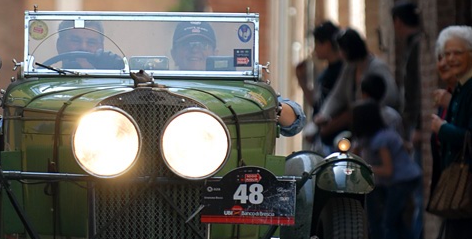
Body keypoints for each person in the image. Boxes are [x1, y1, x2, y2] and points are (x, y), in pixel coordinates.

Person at [170, 21, 305, 135]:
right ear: (174, 54)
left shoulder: (235, 87)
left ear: (215, 53)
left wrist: (274, 106)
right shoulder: (160, 88)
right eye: (187, 44)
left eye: (202, 45)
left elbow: (295, 122)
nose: (195, 49)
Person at [430, 25, 472, 239]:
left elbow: (466, 136)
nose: (449, 60)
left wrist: (443, 128)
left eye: (456, 53)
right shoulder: (460, 89)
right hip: (459, 185)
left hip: (467, 185)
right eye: (445, 55)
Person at [352, 100, 422, 239]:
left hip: (402, 180)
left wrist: (365, 167)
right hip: (399, 181)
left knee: (389, 222)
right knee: (396, 221)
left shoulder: (381, 140)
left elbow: (388, 170)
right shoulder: (376, 137)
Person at [314, 27, 401, 144]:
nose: (340, 53)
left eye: (342, 50)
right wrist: (324, 114)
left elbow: (390, 96)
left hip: (379, 126)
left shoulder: (377, 67)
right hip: (360, 129)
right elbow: (337, 95)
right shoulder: (349, 68)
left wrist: (364, 108)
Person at [392, 1, 424, 239]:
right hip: (415, 124)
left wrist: (415, 125)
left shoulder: (416, 47)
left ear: (398, 23)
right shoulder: (415, 45)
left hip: (417, 126)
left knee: (419, 190)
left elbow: (415, 91)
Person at [295, 20, 343, 153]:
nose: (315, 49)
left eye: (317, 44)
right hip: (322, 140)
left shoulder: (343, 72)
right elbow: (317, 103)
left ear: (327, 44)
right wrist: (302, 80)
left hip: (339, 139)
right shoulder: (325, 74)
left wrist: (327, 128)